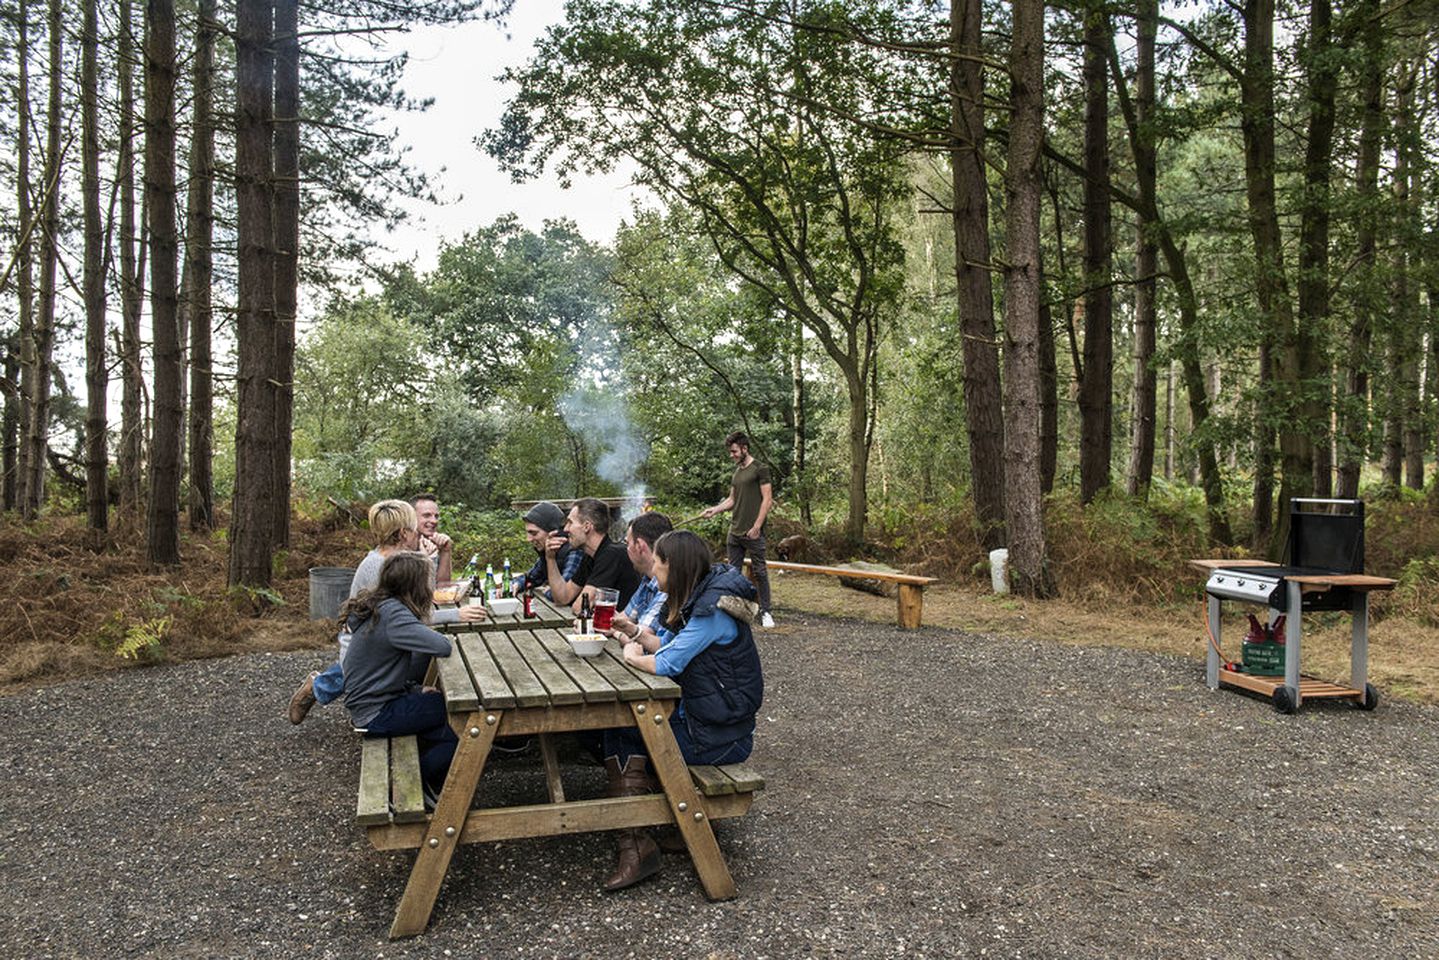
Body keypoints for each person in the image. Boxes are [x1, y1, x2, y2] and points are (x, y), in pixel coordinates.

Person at [599, 530, 764, 891]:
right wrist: (637, 635)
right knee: (621, 725)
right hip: (710, 722)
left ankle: (637, 846)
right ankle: (644, 836)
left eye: (657, 567)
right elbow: (670, 644)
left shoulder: (711, 612)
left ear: (673, 566)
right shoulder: (700, 597)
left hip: (720, 738)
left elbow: (667, 663)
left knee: (623, 729)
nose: (654, 576)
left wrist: (632, 655)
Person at [288, 499, 485, 725]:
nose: (420, 533)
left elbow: (411, 612)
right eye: (414, 529)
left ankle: (420, 705)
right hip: (364, 650)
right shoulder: (382, 568)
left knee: (430, 651)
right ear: (403, 533)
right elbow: (414, 614)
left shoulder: (395, 560)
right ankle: (322, 686)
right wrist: (454, 612)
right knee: (432, 654)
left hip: (379, 639)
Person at [340, 551, 457, 803]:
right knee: (463, 719)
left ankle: (425, 783)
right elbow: (442, 646)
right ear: (415, 586)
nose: (431, 586)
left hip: (372, 705)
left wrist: (414, 690)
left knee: (450, 725)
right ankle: (408, 787)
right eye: (428, 581)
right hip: (376, 713)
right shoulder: (394, 615)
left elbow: (379, 670)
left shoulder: (383, 607)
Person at [700, 430, 775, 628]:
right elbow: (732, 500)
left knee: (760, 572)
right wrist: (714, 510)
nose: (731, 455)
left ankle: (766, 612)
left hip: (753, 531)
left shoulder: (760, 468)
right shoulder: (737, 473)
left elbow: (767, 499)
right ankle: (734, 611)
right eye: (730, 452)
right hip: (735, 532)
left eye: (734, 451)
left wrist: (757, 526)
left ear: (744, 448)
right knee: (732, 573)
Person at [543, 497, 641, 612]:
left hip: (627, 627)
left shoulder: (612, 554)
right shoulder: (590, 556)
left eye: (570, 522)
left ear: (587, 526)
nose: (565, 529)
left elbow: (580, 608)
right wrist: (550, 558)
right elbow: (562, 597)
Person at [607, 510, 673, 645]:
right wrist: (592, 623)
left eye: (627, 543)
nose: (626, 548)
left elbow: (640, 640)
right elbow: (624, 619)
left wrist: (615, 632)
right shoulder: (647, 579)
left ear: (639, 546)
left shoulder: (668, 584)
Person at [515, 501, 583, 600]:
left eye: (533, 533)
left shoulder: (574, 552)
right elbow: (532, 577)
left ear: (553, 532)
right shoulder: (548, 551)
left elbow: (563, 594)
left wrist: (548, 591)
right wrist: (515, 584)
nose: (528, 539)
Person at [413, 493, 453, 583]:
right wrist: (426, 560)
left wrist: (446, 551)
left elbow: (443, 586)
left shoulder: (433, 543)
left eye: (436, 516)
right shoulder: (402, 549)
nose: (434, 521)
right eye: (426, 515)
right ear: (412, 517)